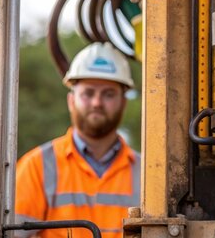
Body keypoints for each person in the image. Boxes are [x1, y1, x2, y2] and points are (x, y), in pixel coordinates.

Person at [15, 42, 140, 238]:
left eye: (108, 94)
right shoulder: (36, 167)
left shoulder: (147, 174)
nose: (97, 103)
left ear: (123, 103)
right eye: (88, 93)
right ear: (71, 101)